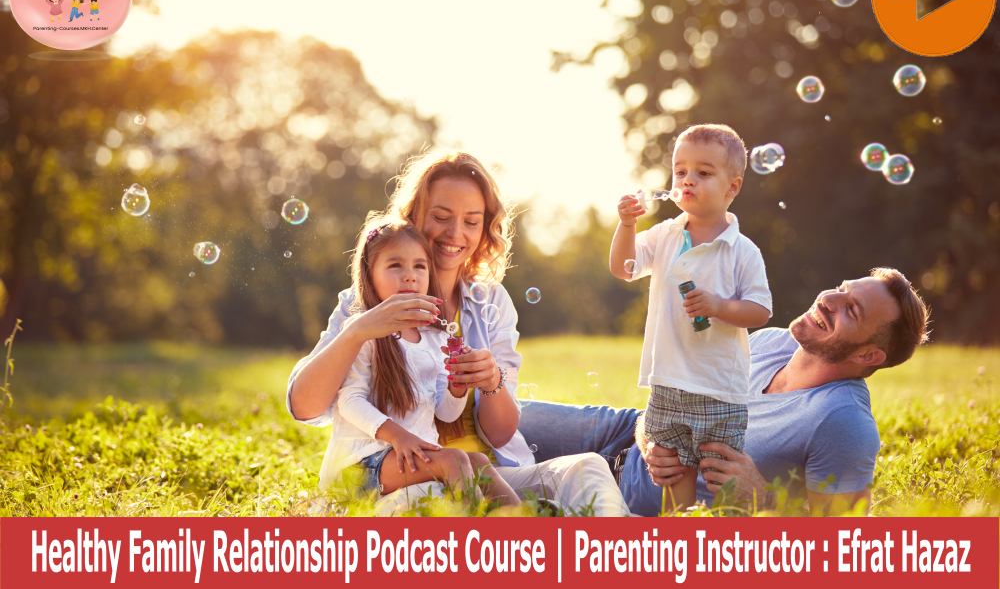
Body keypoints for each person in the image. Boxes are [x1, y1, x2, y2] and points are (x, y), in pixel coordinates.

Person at [287, 150, 628, 516]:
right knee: (438, 501)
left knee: (589, 467)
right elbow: (305, 406)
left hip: (486, 472)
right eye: (441, 217)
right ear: (414, 217)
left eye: (472, 221)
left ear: (485, 228)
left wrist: (489, 381)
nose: (455, 234)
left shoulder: (490, 301)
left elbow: (496, 434)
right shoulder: (368, 303)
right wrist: (357, 331)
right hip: (403, 475)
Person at [519, 267, 930, 516]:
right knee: (488, 412)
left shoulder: (843, 423)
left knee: (490, 480)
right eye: (842, 288)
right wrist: (648, 429)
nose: (828, 299)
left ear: (870, 354)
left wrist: (765, 501)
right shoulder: (772, 341)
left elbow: (846, 553)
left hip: (633, 499)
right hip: (624, 432)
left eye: (851, 309)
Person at [609, 124, 772, 509]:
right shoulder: (666, 234)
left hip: (719, 385)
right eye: (680, 171)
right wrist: (627, 225)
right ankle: (682, 528)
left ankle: (729, 532)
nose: (687, 180)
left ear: (732, 187)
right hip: (668, 379)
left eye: (703, 172)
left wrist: (718, 307)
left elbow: (760, 310)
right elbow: (623, 267)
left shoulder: (742, 251)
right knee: (673, 467)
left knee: (720, 470)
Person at [332, 218, 518, 506]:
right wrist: (398, 436)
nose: (410, 276)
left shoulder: (434, 338)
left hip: (412, 457)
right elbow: (348, 401)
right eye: (395, 266)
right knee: (454, 459)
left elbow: (445, 414)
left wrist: (457, 387)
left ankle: (526, 520)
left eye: (419, 266)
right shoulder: (363, 331)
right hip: (363, 464)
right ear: (369, 277)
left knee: (479, 462)